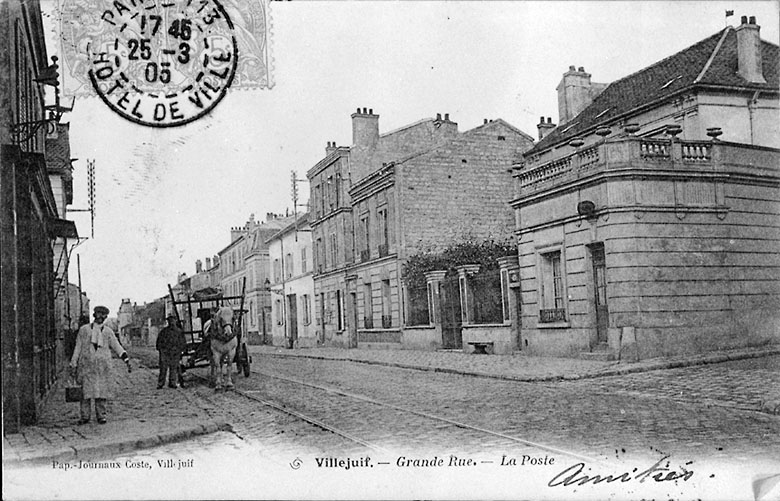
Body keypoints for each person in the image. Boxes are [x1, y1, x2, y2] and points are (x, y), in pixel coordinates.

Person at [69, 305, 131, 424]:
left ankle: (101, 415)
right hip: (87, 365)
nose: (101, 317)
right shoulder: (84, 330)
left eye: (103, 315)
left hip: (103, 367)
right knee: (85, 392)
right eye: (99, 313)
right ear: (94, 314)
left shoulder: (108, 332)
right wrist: (73, 363)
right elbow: (78, 347)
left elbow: (116, 346)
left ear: (106, 317)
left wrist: (126, 359)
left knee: (101, 391)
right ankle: (84, 416)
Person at [156, 314, 186, 389]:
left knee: (174, 368)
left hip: (175, 352)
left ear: (175, 321)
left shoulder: (179, 332)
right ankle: (161, 383)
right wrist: (161, 350)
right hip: (165, 352)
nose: (171, 322)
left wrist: (180, 350)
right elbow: (159, 342)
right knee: (163, 368)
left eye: (173, 320)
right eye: (170, 321)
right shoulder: (163, 332)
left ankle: (172, 383)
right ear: (168, 322)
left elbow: (182, 342)